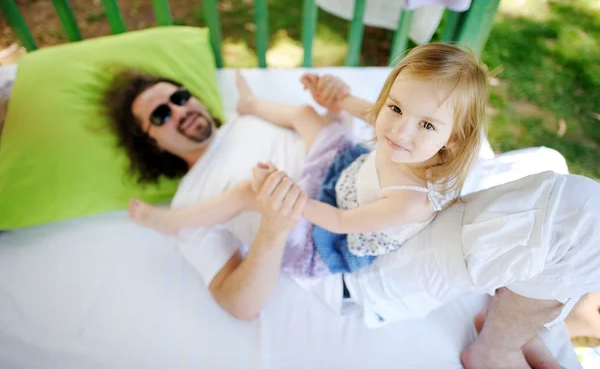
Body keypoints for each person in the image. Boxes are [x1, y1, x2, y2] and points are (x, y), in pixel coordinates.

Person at [103, 46, 596, 369]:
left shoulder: (246, 122)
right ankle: (162, 223)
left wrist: (319, 103)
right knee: (574, 212)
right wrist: (279, 222)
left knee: (559, 192)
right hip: (339, 237)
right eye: (161, 115)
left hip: (354, 176)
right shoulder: (195, 192)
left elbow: (329, 122)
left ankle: (524, 329)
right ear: (150, 142)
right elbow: (239, 304)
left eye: (180, 96)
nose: (181, 111)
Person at [127, 43, 487, 279]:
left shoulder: (411, 200)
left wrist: (286, 192)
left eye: (426, 124)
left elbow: (340, 220)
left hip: (329, 235)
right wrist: (340, 98)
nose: (399, 131)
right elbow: (374, 113)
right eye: (396, 107)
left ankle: (168, 221)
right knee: (304, 113)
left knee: (248, 191)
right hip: (345, 176)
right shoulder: (404, 135)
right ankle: (250, 105)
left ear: (453, 139)